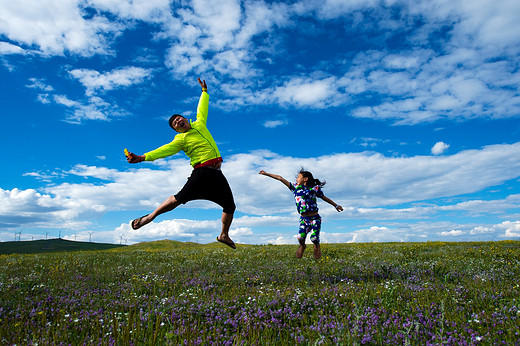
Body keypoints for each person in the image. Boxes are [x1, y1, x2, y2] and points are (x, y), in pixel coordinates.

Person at [126, 78, 237, 249]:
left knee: (229, 206)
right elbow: (164, 150)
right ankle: (150, 217)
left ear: (186, 119)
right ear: (177, 130)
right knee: (178, 199)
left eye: (179, 119)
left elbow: (202, 109)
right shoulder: (180, 139)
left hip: (217, 174)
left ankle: (223, 235)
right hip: (202, 173)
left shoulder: (199, 124)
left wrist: (204, 92)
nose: (178, 122)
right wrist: (142, 157)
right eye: (175, 124)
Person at [259, 169, 343, 259]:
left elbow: (324, 198)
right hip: (304, 219)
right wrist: (266, 174)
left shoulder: (314, 189)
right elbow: (280, 178)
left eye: (298, 177)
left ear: (305, 179)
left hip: (315, 218)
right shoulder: (295, 187)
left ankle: (317, 248)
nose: (296, 179)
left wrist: (336, 205)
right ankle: (302, 246)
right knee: (300, 238)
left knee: (314, 238)